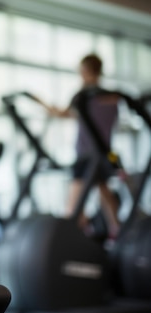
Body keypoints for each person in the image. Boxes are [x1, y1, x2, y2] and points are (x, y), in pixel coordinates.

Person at [42, 53, 120, 239]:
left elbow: (64, 113)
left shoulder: (83, 97)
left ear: (86, 71)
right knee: (104, 193)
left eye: (81, 71)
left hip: (86, 156)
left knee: (74, 205)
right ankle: (117, 232)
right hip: (105, 154)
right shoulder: (112, 98)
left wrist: (46, 106)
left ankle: (74, 238)